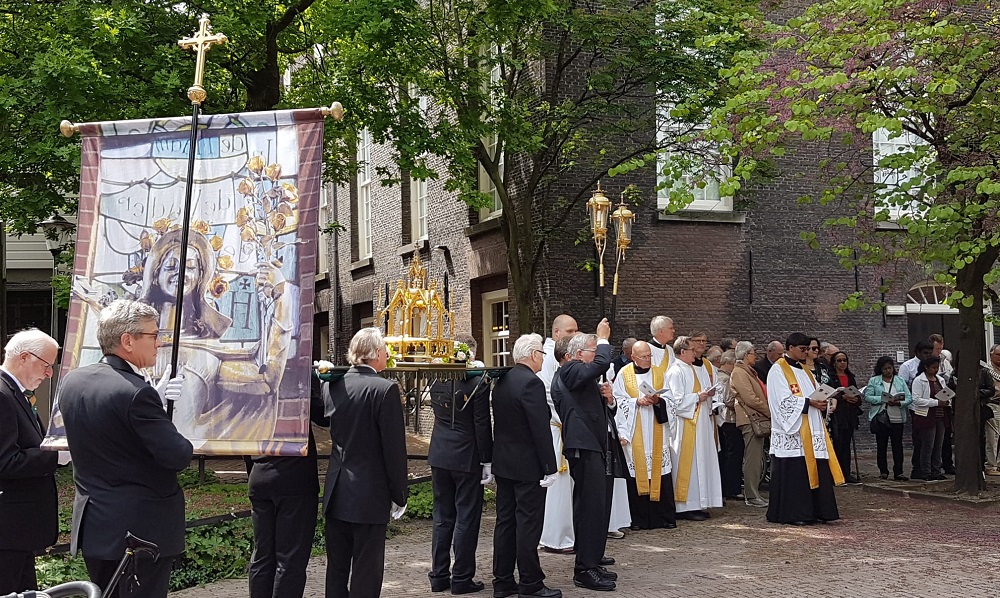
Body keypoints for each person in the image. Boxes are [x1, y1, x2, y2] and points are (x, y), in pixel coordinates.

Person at [59, 300, 192, 598]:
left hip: (96, 524)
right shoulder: (136, 392)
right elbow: (178, 454)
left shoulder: (72, 381)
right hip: (140, 532)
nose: (159, 343)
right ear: (127, 341)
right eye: (153, 335)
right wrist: (163, 411)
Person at [321, 327, 408, 598]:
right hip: (370, 492)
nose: (387, 354)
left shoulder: (332, 385)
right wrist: (399, 494)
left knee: (337, 567)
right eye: (385, 350)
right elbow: (394, 449)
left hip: (337, 490)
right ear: (377, 353)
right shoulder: (385, 389)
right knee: (366, 568)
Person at [248, 372, 330, 598]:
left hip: (260, 473)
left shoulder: (255, 374)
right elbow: (324, 416)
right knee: (290, 559)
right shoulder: (300, 374)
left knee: (262, 555)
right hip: (295, 478)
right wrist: (322, 382)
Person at [491, 333, 560, 598]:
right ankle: (531, 582)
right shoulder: (532, 383)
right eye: (542, 353)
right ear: (533, 355)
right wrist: (549, 466)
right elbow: (539, 429)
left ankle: (503, 581)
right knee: (528, 524)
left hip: (504, 463)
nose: (543, 358)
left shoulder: (503, 380)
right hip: (527, 466)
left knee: (505, 523)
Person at [552, 323, 618, 592]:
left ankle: (590, 558)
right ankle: (584, 569)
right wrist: (602, 339)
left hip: (591, 443)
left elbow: (594, 410)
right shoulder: (570, 369)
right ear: (579, 354)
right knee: (590, 506)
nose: (596, 355)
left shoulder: (580, 376)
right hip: (584, 446)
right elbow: (602, 363)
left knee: (593, 506)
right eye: (592, 350)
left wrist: (608, 400)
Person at [427, 340, 493, 594]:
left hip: (439, 453)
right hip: (466, 456)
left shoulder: (436, 379)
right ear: (471, 354)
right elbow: (481, 423)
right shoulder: (478, 382)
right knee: (466, 517)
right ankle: (462, 578)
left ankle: (439, 575)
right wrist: (487, 459)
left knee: (442, 517)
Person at [0, 329, 62, 594]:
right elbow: (6, 462)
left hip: (16, 531)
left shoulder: (14, 392)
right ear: (24, 357)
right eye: (46, 365)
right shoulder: (3, 394)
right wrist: (57, 455)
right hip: (7, 530)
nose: (49, 374)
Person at [765, 332, 843, 526]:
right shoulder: (778, 370)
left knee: (816, 468)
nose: (806, 352)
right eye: (802, 349)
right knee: (796, 472)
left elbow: (815, 392)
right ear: (790, 348)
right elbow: (781, 400)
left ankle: (817, 511)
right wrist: (809, 403)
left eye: (808, 349)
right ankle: (795, 513)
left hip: (811, 426)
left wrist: (825, 401)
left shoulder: (805, 370)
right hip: (794, 431)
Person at [613, 341, 676, 530]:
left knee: (660, 472)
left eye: (649, 356)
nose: (648, 359)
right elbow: (617, 401)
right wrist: (636, 402)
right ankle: (639, 519)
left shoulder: (659, 373)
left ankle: (663, 518)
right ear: (633, 357)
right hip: (636, 431)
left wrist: (658, 401)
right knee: (637, 473)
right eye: (644, 356)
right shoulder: (624, 374)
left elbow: (671, 400)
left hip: (656, 429)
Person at [665, 336, 723, 522]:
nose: (696, 352)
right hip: (685, 425)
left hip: (701, 424)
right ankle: (684, 506)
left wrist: (708, 394)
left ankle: (699, 502)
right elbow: (675, 402)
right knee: (689, 466)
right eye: (692, 350)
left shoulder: (694, 368)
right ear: (683, 351)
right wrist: (698, 396)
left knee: (701, 463)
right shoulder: (675, 371)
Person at [538, 314, 578, 554]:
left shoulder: (566, 356)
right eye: (570, 331)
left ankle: (566, 532)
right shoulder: (549, 358)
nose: (574, 335)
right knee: (558, 485)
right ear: (556, 333)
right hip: (557, 428)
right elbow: (551, 393)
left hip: (565, 426)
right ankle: (556, 536)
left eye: (576, 331)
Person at [730, 341, 770, 507]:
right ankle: (752, 495)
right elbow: (750, 398)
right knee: (752, 458)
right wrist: (769, 411)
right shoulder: (740, 373)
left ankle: (754, 493)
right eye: (753, 353)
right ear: (746, 355)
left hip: (755, 417)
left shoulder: (748, 372)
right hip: (750, 418)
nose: (756, 356)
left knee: (757, 457)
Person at [863, 357, 912, 481]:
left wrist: (899, 402)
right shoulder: (874, 381)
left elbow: (909, 397)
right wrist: (882, 399)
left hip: (897, 417)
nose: (888, 371)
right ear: (880, 369)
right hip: (882, 416)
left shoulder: (900, 380)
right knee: (882, 445)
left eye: (889, 368)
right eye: (885, 369)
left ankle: (898, 471)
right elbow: (868, 396)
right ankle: (883, 471)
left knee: (897, 445)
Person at [909, 356, 950, 481]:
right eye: (933, 367)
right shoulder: (919, 380)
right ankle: (925, 471)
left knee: (938, 445)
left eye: (937, 367)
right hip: (926, 416)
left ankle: (936, 470)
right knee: (927, 445)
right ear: (926, 367)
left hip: (940, 416)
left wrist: (946, 401)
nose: (936, 370)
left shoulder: (940, 380)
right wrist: (936, 402)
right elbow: (916, 400)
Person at [827, 351, 861, 484]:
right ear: (834, 363)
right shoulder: (830, 377)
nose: (842, 363)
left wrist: (855, 399)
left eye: (844, 360)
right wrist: (842, 398)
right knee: (837, 444)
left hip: (849, 415)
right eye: (839, 360)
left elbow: (857, 394)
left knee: (846, 445)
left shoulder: (850, 377)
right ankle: (836, 474)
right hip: (837, 415)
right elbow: (830, 394)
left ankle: (846, 473)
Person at [715, 350, 744, 500]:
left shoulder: (718, 376)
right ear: (728, 363)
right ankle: (732, 488)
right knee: (733, 454)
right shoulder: (726, 379)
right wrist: (742, 403)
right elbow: (728, 400)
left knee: (728, 454)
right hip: (729, 419)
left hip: (723, 420)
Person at [984, 345, 1000, 475]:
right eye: (998, 355)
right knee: (992, 436)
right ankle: (991, 465)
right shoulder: (987, 370)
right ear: (991, 355)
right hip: (993, 404)